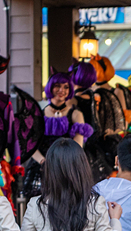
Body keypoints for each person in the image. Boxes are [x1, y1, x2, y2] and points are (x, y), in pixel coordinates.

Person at [23, 69, 93, 200]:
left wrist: (63, 164)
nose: (62, 90)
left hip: (67, 167)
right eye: (58, 86)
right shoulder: (38, 114)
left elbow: (78, 146)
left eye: (66, 87)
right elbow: (30, 145)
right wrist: (44, 162)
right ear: (51, 87)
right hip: (41, 167)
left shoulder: (76, 114)